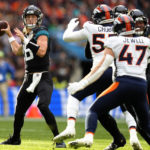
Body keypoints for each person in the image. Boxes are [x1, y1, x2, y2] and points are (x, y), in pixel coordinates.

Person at [53, 4, 141, 150]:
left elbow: (66, 38)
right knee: (120, 108)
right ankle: (126, 138)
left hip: (99, 72)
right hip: (119, 73)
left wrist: (70, 26)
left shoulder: (90, 27)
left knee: (75, 95)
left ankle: (70, 127)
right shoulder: (118, 28)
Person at [0, 5, 66, 148]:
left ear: (38, 19)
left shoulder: (41, 32)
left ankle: (59, 139)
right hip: (28, 78)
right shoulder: (26, 34)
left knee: (42, 106)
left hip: (43, 77)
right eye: (28, 17)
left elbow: (41, 52)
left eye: (33, 17)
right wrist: (10, 35)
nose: (30, 19)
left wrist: (24, 40)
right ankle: (15, 139)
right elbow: (18, 52)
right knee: (19, 110)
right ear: (24, 19)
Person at [0, 51, 15, 117]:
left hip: (3, 83)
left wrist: (10, 79)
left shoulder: (6, 64)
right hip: (3, 82)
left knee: (5, 99)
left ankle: (6, 114)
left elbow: (12, 71)